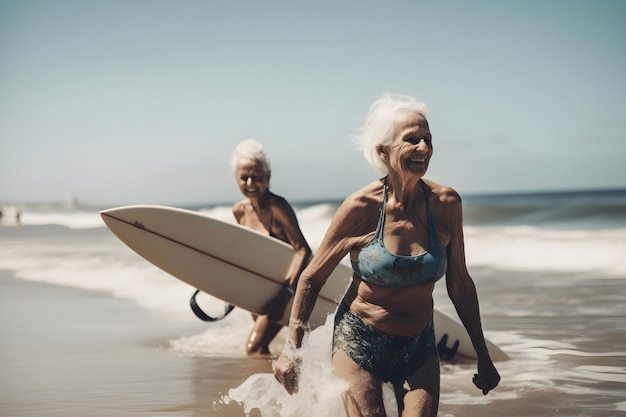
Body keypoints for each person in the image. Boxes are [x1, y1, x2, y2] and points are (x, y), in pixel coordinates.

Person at [274, 94, 500, 416]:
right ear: (384, 150)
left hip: (419, 345)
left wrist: (483, 354)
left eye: (428, 140)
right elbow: (312, 278)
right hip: (359, 341)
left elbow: (461, 283)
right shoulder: (361, 208)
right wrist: (291, 350)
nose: (424, 148)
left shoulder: (447, 204)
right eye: (412, 140)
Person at [230, 139, 312, 356]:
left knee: (254, 347)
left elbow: (303, 250)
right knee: (263, 345)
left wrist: (286, 293)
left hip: (285, 290)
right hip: (261, 289)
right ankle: (275, 385)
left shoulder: (278, 207)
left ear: (267, 177)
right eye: (243, 177)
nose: (250, 182)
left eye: (256, 177)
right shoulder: (239, 211)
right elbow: (249, 251)